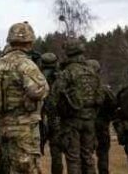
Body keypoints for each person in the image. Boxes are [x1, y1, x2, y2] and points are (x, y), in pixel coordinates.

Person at [0, 22, 49, 173]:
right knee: (27, 168)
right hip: (24, 127)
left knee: (7, 166)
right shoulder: (26, 65)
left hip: (2, 126)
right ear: (30, 41)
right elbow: (38, 91)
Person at [47, 38, 104, 174]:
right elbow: (100, 97)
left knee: (73, 159)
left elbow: (53, 99)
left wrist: (56, 120)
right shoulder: (91, 72)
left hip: (71, 122)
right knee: (88, 157)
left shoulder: (67, 73)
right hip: (89, 121)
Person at [86, 59, 116, 174]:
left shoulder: (81, 89)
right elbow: (114, 104)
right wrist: (108, 117)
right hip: (102, 125)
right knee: (103, 154)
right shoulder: (104, 89)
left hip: (86, 125)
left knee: (86, 154)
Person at [40, 52, 64, 174]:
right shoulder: (61, 77)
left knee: (35, 153)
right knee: (56, 153)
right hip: (56, 118)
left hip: (39, 118)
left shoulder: (36, 76)